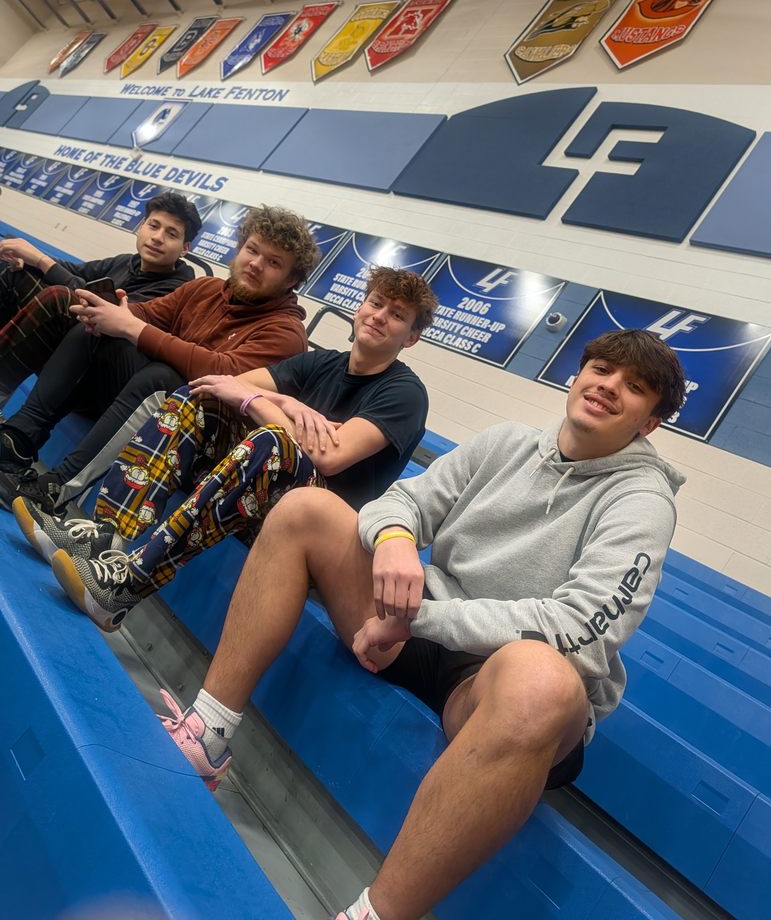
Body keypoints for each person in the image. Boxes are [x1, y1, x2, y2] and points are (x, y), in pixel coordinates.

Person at [100, 328, 685, 920]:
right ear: (578, 375)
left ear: (650, 423)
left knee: (543, 681)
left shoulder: (642, 500)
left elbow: (579, 627)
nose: (609, 388)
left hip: (493, 681)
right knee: (307, 509)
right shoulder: (509, 443)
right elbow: (401, 502)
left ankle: (374, 915)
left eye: (634, 389)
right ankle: (208, 731)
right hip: (415, 626)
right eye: (602, 370)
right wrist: (398, 539)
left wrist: (423, 619)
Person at [21, 266, 435, 634]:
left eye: (396, 315)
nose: (379, 316)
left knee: (272, 444)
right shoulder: (324, 362)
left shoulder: (405, 394)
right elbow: (230, 383)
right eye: (376, 303)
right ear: (361, 307)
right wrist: (288, 403)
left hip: (316, 536)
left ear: (412, 337)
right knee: (196, 398)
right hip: (258, 495)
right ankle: (105, 539)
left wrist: (259, 403)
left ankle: (126, 586)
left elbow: (328, 456)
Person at [0, 204, 316, 513]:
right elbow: (146, 314)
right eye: (252, 249)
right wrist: (116, 311)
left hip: (198, 443)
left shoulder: (285, 332)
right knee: (95, 329)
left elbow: (222, 374)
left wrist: (132, 326)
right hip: (143, 406)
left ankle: (58, 486)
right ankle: (17, 442)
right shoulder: (205, 288)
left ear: (291, 280)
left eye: (273, 262)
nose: (256, 263)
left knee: (165, 379)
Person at [0, 190, 198, 408]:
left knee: (60, 298)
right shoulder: (127, 261)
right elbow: (73, 270)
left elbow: (107, 312)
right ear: (141, 225)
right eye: (153, 226)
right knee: (13, 270)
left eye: (171, 234)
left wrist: (42, 261)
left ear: (185, 248)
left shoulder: (180, 289)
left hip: (97, 375)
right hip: (69, 347)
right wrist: (27, 259)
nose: (157, 237)